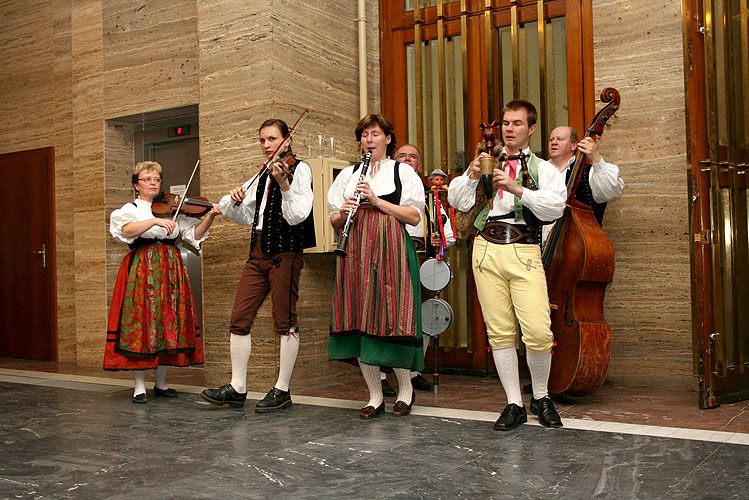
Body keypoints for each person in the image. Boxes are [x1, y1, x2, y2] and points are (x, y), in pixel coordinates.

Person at [448, 100, 566, 430]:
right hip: (486, 248)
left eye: (516, 123)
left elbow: (555, 208)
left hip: (524, 248)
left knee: (539, 331)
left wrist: (516, 189)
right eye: (505, 123)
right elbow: (457, 200)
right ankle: (513, 402)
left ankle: (541, 396)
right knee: (499, 332)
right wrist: (472, 174)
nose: (508, 128)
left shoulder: (544, 169)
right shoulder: (487, 160)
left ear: (531, 129)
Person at [201, 118, 315, 411]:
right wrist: (236, 199)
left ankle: (282, 389)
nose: (266, 145)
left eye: (272, 139)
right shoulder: (262, 174)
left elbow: (299, 214)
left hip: (286, 251)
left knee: (284, 320)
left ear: (287, 140)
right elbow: (243, 216)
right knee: (239, 317)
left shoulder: (299, 169)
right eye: (262, 140)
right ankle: (238, 388)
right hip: (258, 250)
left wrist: (284, 183)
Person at [328, 114, 425, 419]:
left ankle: (406, 391)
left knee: (392, 316)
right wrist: (343, 213)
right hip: (356, 248)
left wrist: (376, 199)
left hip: (391, 248)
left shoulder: (403, 173)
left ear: (387, 139)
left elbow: (413, 216)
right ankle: (374, 396)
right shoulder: (348, 175)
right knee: (361, 316)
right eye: (364, 135)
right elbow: (333, 220)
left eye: (375, 134)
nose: (369, 139)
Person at [105, 161, 221, 404]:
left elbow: (195, 235)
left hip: (170, 266)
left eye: (156, 180)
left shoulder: (172, 209)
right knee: (142, 322)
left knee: (168, 321)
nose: (153, 183)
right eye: (147, 179)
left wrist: (209, 215)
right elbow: (126, 231)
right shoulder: (131, 209)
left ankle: (161, 382)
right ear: (136, 184)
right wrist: (154, 222)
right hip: (143, 267)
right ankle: (139, 386)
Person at [378, 144, 455, 395]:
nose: (408, 160)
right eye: (403, 156)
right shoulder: (384, 193)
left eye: (413, 157)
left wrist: (440, 240)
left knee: (423, 316)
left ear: (419, 165)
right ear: (393, 161)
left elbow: (448, 233)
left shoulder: (430, 197)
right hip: (390, 255)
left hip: (422, 259)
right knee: (386, 315)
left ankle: (413, 373)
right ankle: (380, 375)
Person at [541, 126, 624, 245]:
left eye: (559, 139)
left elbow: (611, 191)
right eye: (551, 139)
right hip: (540, 249)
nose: (554, 142)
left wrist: (596, 158)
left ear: (574, 145)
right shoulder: (539, 171)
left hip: (577, 248)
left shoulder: (589, 172)